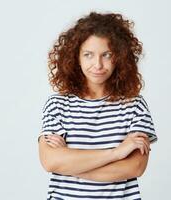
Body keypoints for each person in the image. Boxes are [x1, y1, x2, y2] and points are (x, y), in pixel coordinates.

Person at [38, 11, 158, 200]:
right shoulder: (57, 105)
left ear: (119, 57)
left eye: (107, 55)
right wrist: (117, 153)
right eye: (88, 55)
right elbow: (50, 162)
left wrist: (70, 164)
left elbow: (134, 167)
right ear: (76, 57)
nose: (98, 64)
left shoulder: (134, 105)